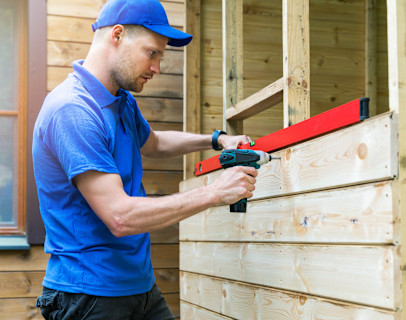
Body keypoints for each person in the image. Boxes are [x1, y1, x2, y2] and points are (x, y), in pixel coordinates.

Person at [32, 0, 258, 319]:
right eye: (152, 53)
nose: (156, 68)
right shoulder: (73, 111)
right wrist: (216, 192)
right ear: (118, 35)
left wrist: (218, 140)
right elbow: (119, 215)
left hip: (139, 288)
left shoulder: (120, 100)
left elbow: (154, 143)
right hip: (89, 296)